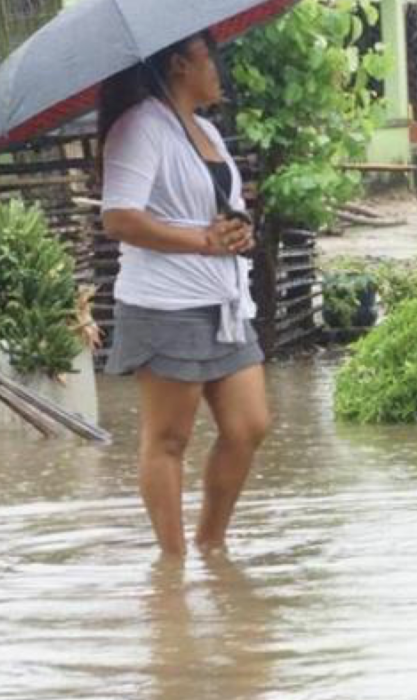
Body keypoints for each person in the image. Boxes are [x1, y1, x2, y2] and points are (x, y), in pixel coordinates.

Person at [99, 33, 271, 558]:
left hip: (224, 302)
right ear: (177, 65)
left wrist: (238, 233)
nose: (218, 68)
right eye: (209, 57)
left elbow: (222, 213)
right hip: (165, 305)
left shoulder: (208, 134)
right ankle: (172, 565)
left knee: (249, 426)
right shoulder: (139, 128)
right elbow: (119, 217)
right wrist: (201, 241)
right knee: (168, 439)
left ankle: (211, 547)